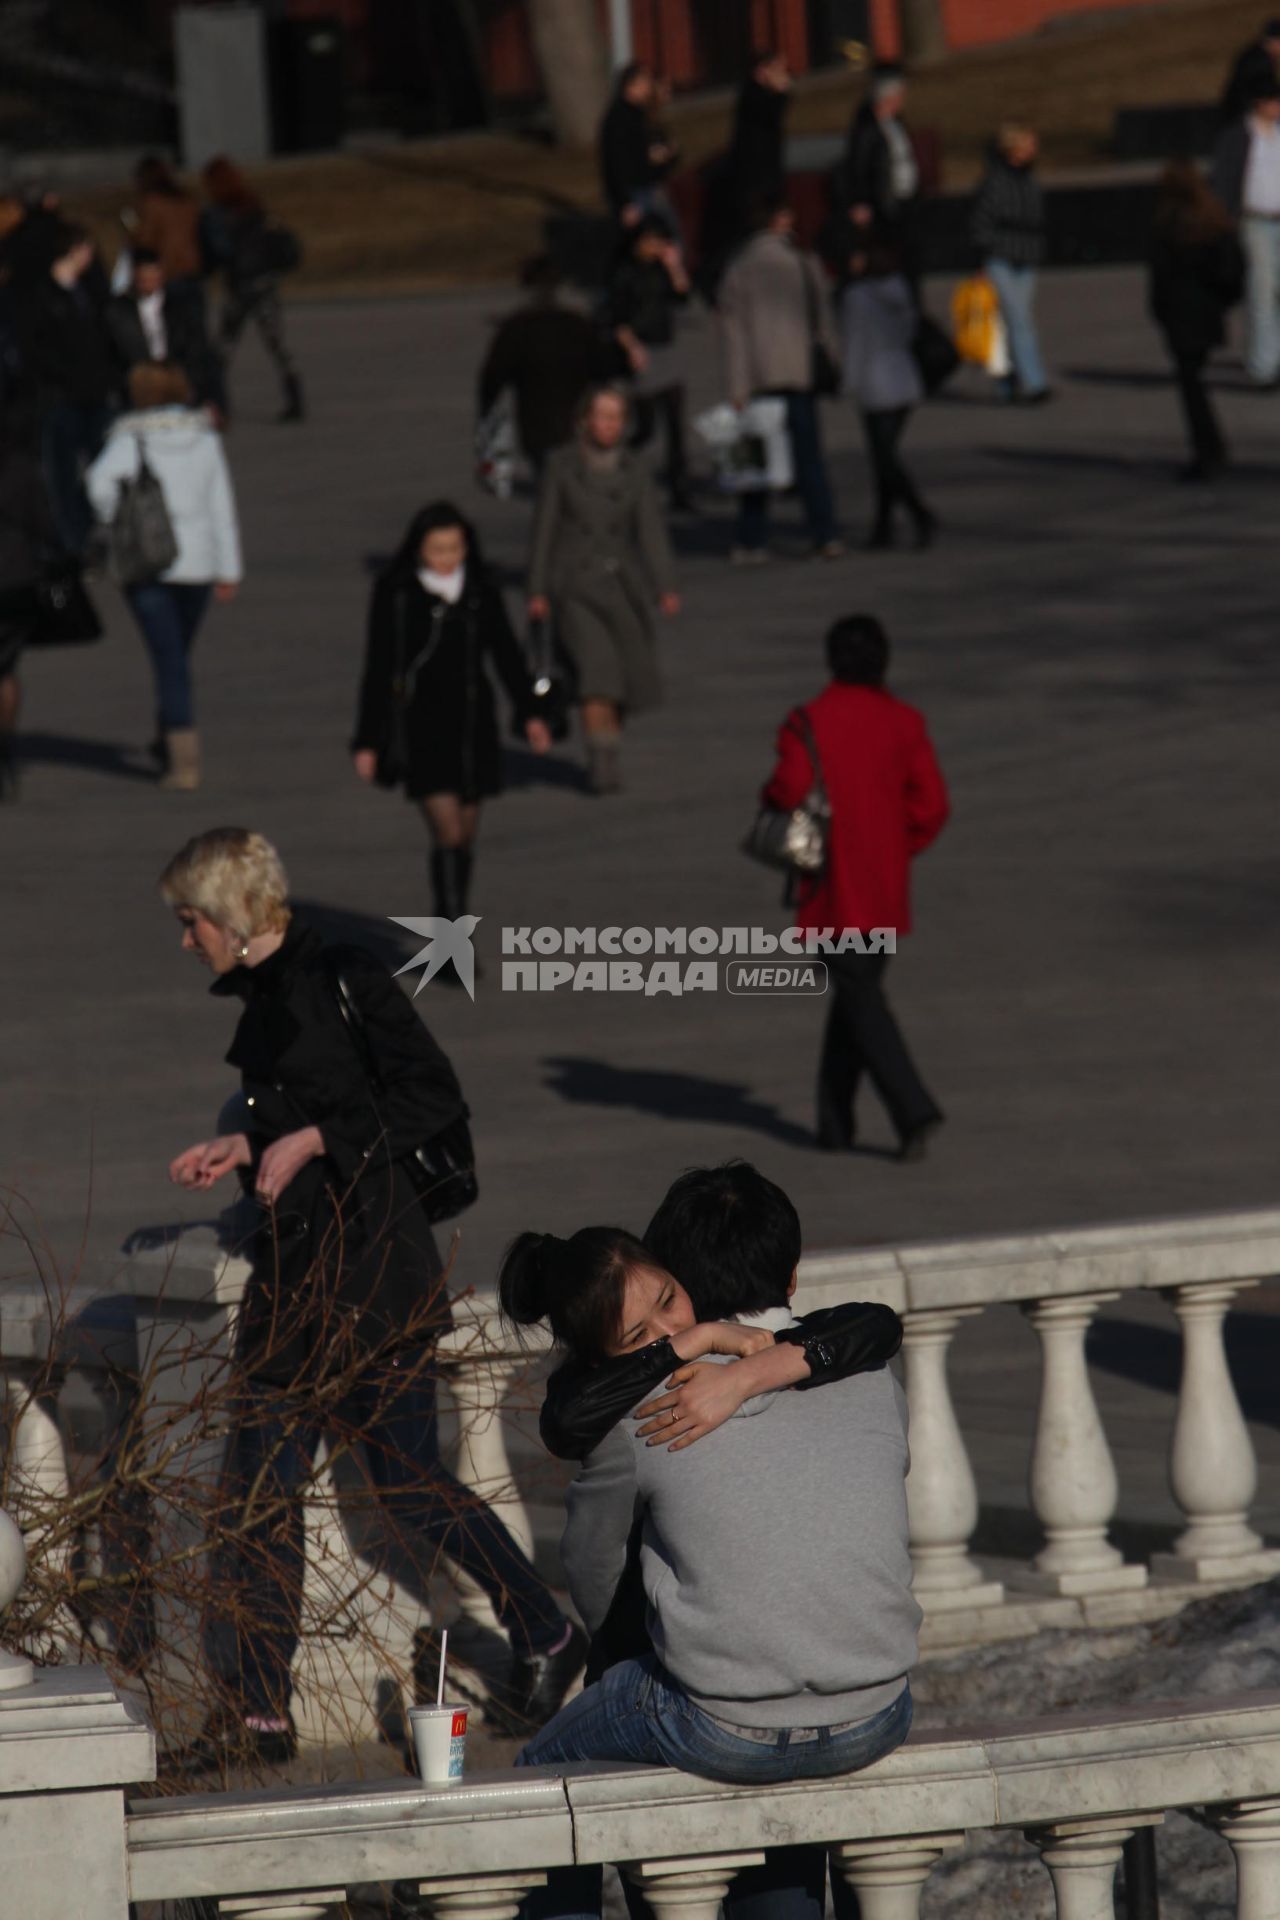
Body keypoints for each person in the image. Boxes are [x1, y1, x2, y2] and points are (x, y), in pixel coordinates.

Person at [159, 828, 588, 1774]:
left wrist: (313, 1137)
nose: (186, 942)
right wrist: (240, 1146)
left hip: (374, 1273)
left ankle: (547, 1635)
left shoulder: (342, 973)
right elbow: (300, 1108)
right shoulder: (269, 994)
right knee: (255, 1497)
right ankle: (259, 1714)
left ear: (229, 914)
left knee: (403, 1478)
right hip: (295, 1279)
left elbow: (432, 1097)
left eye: (191, 922)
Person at [496, 1217, 917, 1920]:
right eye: (639, 1337)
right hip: (879, 1707)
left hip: (723, 1715)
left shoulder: (638, 1419)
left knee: (547, 1768)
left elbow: (591, 1574)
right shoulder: (859, 1376)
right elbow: (875, 1326)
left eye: (669, 1298)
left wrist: (744, 1368)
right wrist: (700, 1343)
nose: (667, 1328)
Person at [762, 615, 949, 1158]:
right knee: (856, 993)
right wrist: (900, 843)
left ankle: (912, 1110)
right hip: (885, 882)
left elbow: (790, 785)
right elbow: (932, 805)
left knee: (859, 995)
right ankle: (834, 1122)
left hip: (832, 884)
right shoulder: (905, 722)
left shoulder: (808, 721)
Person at [351, 500, 551, 952]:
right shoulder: (397, 593)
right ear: (418, 548)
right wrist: (367, 741)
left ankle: (448, 924)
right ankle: (452, 940)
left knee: (466, 834)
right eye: (437, 549)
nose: (446, 558)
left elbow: (506, 655)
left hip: (472, 727)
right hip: (421, 727)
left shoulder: (480, 589)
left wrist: (530, 713)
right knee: (448, 832)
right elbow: (379, 665)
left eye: (455, 548)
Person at [86, 364, 241, 790]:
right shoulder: (205, 438)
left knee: (169, 659)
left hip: (147, 562)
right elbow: (221, 505)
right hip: (200, 564)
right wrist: (230, 568)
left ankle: (183, 760)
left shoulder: (128, 437)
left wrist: (115, 516)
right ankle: (169, 739)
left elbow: (97, 483)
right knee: (177, 656)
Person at [527, 384, 678, 796]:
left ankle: (608, 746)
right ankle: (602, 762)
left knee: (625, 676)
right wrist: (537, 588)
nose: (609, 425)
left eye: (616, 417)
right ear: (584, 421)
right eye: (602, 416)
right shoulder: (561, 466)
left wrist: (664, 584)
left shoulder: (635, 469)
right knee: (597, 673)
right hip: (573, 584)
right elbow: (544, 529)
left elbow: (650, 530)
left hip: (621, 584)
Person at [717, 195, 843, 564]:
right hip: (798, 372)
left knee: (754, 464)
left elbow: (733, 335)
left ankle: (751, 539)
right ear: (778, 221)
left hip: (757, 377)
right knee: (810, 460)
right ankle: (826, 533)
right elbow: (823, 322)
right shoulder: (803, 263)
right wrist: (832, 363)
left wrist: (736, 387)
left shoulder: (738, 269)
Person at [11, 221, 117, 556]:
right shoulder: (41, 297)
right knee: (62, 478)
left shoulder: (89, 292)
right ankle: (73, 542)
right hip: (62, 400)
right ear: (74, 250)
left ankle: (90, 532)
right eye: (88, 249)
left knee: (104, 469)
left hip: (95, 397)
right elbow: (34, 350)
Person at [1149, 164, 1245, 481]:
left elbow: (1160, 278)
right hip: (1207, 312)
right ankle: (1211, 448)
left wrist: (1159, 311)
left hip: (1181, 314)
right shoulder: (1213, 221)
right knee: (1195, 382)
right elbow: (1233, 267)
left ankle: (1208, 450)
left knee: (1191, 387)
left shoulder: (1168, 225)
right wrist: (1225, 298)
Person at [841, 241, 937, 551]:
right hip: (903, 380)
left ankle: (918, 513)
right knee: (884, 458)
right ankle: (883, 526)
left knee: (884, 459)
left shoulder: (856, 298)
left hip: (875, 385)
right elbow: (909, 332)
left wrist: (848, 384)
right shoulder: (899, 291)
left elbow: (855, 345)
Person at [476, 257, 609, 477]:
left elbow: (491, 381)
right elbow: (603, 370)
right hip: (577, 420)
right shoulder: (578, 325)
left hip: (536, 424)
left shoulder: (516, 328)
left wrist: (486, 422)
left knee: (550, 483)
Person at [200, 156, 304, 424]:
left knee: (223, 345)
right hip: (264, 282)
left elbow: (219, 250)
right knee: (276, 342)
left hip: (241, 284)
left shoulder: (219, 213)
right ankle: (294, 395)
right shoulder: (253, 205)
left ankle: (213, 400)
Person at [605, 217, 693, 509]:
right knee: (645, 428)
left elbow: (682, 297)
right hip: (641, 350)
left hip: (665, 348)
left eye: (660, 241)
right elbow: (616, 317)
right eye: (650, 241)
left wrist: (674, 265)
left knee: (676, 425)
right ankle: (614, 470)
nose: (654, 247)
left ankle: (680, 490)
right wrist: (631, 348)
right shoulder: (624, 273)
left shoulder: (661, 270)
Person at [0, 413, 58, 800]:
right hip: (15, 578)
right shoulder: (21, 468)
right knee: (6, 669)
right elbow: (46, 527)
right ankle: (4, 749)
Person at [972, 120, 1050, 404]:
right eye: (1028, 143)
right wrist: (983, 259)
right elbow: (981, 223)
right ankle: (1034, 383)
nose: (1033, 148)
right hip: (1001, 258)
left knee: (1013, 323)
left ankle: (1007, 382)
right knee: (1019, 321)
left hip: (1026, 257)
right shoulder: (995, 181)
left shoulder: (1028, 178)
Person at [1212, 77, 1280, 386]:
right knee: (1262, 290)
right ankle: (1264, 365)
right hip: (1255, 221)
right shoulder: (1239, 136)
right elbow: (1224, 179)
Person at [105, 245, 226, 413]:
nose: (149, 281)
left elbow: (199, 350)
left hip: (176, 380)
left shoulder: (180, 308)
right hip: (139, 385)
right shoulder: (118, 310)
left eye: (153, 274)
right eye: (144, 277)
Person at [841, 67, 920, 265]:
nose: (902, 100)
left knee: (909, 254)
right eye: (899, 95)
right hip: (883, 204)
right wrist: (860, 201)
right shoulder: (867, 129)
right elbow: (859, 167)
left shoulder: (896, 123)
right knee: (889, 255)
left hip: (905, 199)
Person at [598, 63, 677, 230]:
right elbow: (615, 163)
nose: (648, 88)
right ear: (631, 86)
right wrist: (624, 202)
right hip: (635, 194)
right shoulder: (619, 119)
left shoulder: (638, 115)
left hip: (647, 188)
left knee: (668, 235)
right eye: (644, 83)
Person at [727, 50, 791, 227]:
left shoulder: (759, 95)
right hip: (756, 178)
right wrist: (781, 93)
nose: (783, 76)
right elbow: (771, 115)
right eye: (777, 70)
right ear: (762, 72)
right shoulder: (753, 96)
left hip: (764, 175)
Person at [131, 155, 203, 300]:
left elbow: (145, 239)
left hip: (168, 268)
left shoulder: (153, 203)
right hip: (192, 266)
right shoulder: (185, 200)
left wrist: (132, 234)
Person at [1221, 17, 1280, 125]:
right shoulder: (1260, 60)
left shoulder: (1257, 54)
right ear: (1274, 41)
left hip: (1238, 112)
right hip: (1243, 115)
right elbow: (1264, 92)